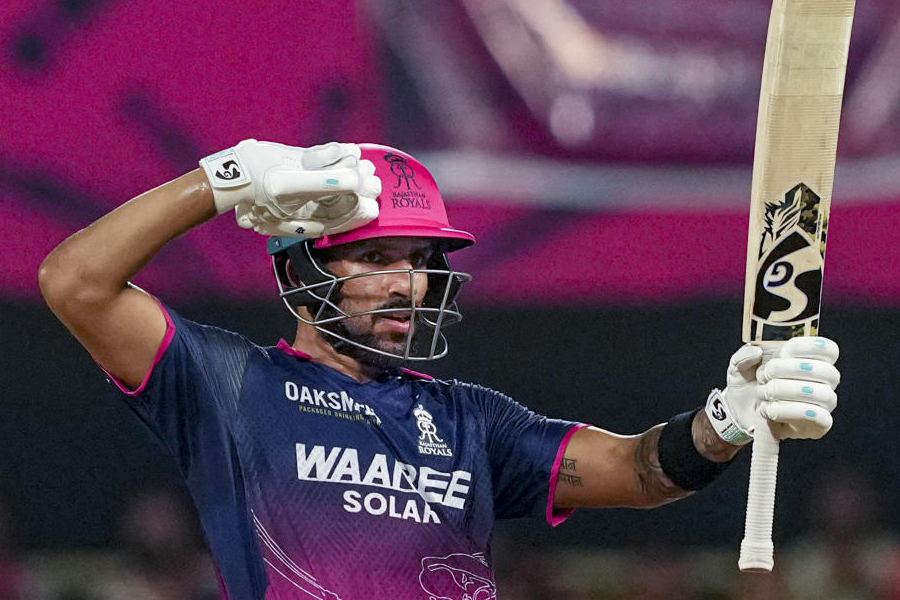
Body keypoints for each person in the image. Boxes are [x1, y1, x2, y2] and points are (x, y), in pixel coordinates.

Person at [39, 140, 842, 599]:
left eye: (419, 261)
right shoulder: (227, 386)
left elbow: (639, 470)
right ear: (297, 273)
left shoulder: (470, 418)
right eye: (377, 258)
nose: (407, 283)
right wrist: (224, 179)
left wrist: (729, 418)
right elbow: (74, 281)